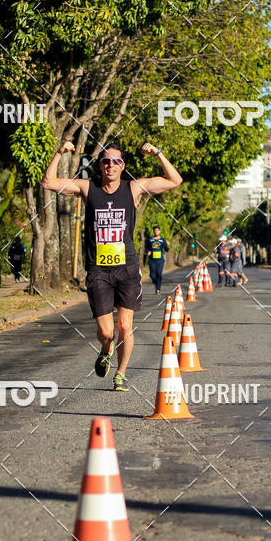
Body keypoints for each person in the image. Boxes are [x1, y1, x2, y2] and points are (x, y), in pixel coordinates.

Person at [41, 140, 182, 391]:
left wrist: (158, 153)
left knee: (125, 326)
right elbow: (48, 182)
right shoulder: (89, 188)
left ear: (122, 166)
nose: (110, 165)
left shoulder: (133, 188)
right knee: (107, 333)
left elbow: (174, 180)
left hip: (127, 269)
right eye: (106, 161)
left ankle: (120, 374)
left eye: (116, 161)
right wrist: (59, 152)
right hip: (98, 271)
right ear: (100, 166)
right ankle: (106, 349)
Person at [146, 225, 169, 294]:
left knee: (159, 274)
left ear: (159, 231)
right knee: (152, 275)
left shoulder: (162, 240)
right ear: (153, 231)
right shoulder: (150, 239)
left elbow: (166, 250)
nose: (156, 232)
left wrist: (167, 245)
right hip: (152, 260)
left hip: (160, 260)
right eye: (155, 230)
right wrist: (148, 251)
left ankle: (158, 289)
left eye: (157, 230)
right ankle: (155, 282)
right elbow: (146, 247)